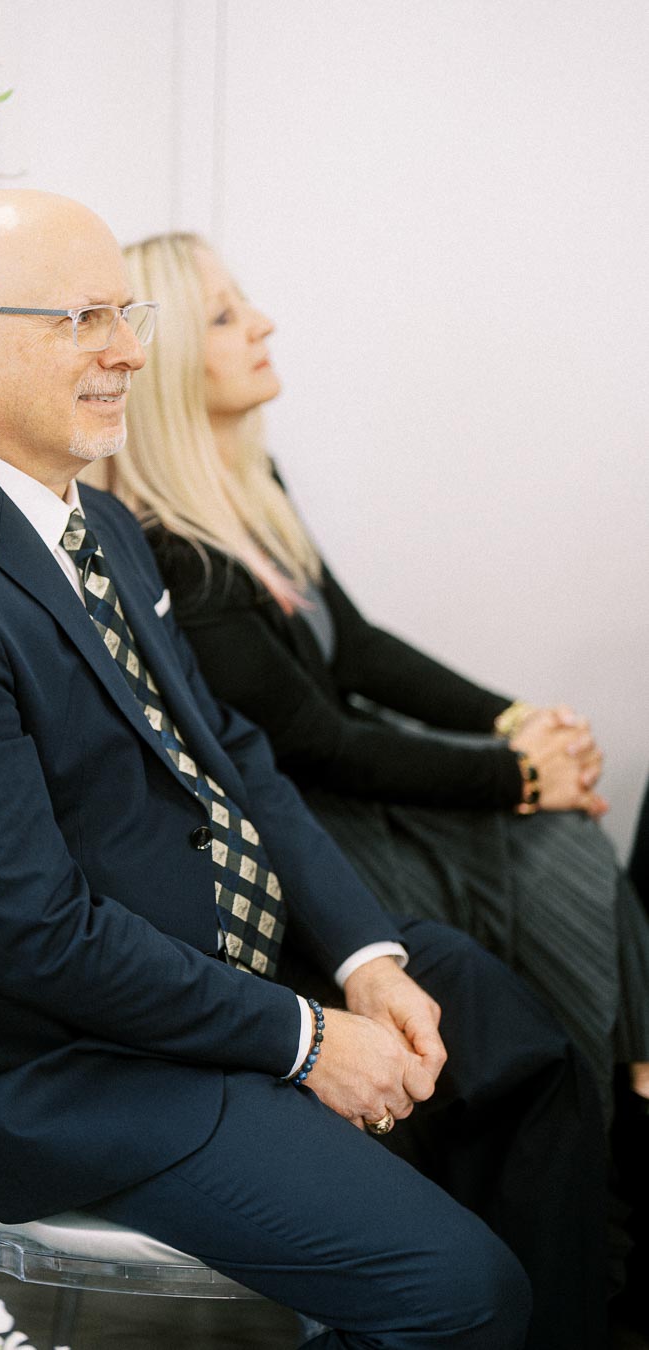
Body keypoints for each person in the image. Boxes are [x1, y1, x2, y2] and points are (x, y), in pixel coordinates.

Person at [0, 191, 608, 1350]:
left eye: (122, 313)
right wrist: (310, 1036)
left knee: (520, 1051)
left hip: (228, 950)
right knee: (463, 1295)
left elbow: (231, 755)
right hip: (90, 1066)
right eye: (81, 318)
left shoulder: (99, 523)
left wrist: (363, 955)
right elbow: (39, 937)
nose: (129, 350)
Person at [90, 230, 649, 1135]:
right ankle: (607, 1109)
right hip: (325, 825)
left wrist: (514, 721)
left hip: (361, 777)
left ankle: (623, 1093)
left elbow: (355, 647)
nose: (262, 324)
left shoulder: (251, 487)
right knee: (561, 846)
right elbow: (319, 744)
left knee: (567, 831)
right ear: (173, 364)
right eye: (228, 317)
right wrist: (516, 775)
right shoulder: (176, 556)